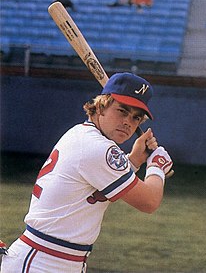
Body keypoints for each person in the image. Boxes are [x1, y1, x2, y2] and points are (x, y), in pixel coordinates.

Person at [1, 72, 173, 273]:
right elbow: (149, 201)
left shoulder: (83, 134)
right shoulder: (98, 148)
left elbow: (95, 192)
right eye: (122, 111)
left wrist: (134, 161)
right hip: (42, 261)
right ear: (101, 107)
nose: (128, 122)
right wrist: (157, 166)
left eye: (136, 117)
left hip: (54, 258)